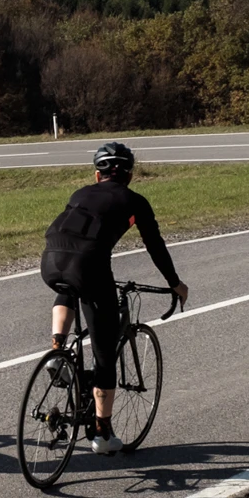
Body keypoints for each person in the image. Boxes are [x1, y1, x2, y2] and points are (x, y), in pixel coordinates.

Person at [41, 141, 190, 455]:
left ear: (97, 176)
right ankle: (102, 433)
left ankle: (57, 349)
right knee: (104, 352)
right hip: (90, 268)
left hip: (51, 261)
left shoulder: (79, 194)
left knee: (68, 286)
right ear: (130, 176)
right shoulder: (135, 201)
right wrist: (175, 283)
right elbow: (155, 246)